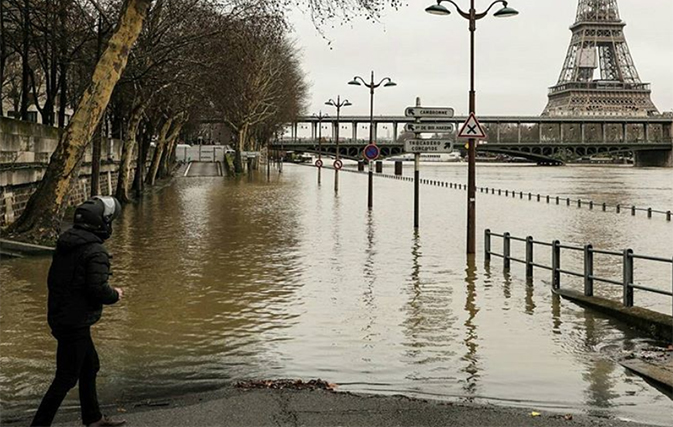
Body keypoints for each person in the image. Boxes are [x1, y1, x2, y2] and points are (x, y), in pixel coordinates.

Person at [31, 196, 126, 427]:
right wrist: (115, 293)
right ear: (102, 223)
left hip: (62, 315)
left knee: (90, 365)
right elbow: (97, 290)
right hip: (75, 322)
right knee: (65, 378)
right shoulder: (96, 251)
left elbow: (62, 281)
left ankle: (93, 418)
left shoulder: (66, 243)